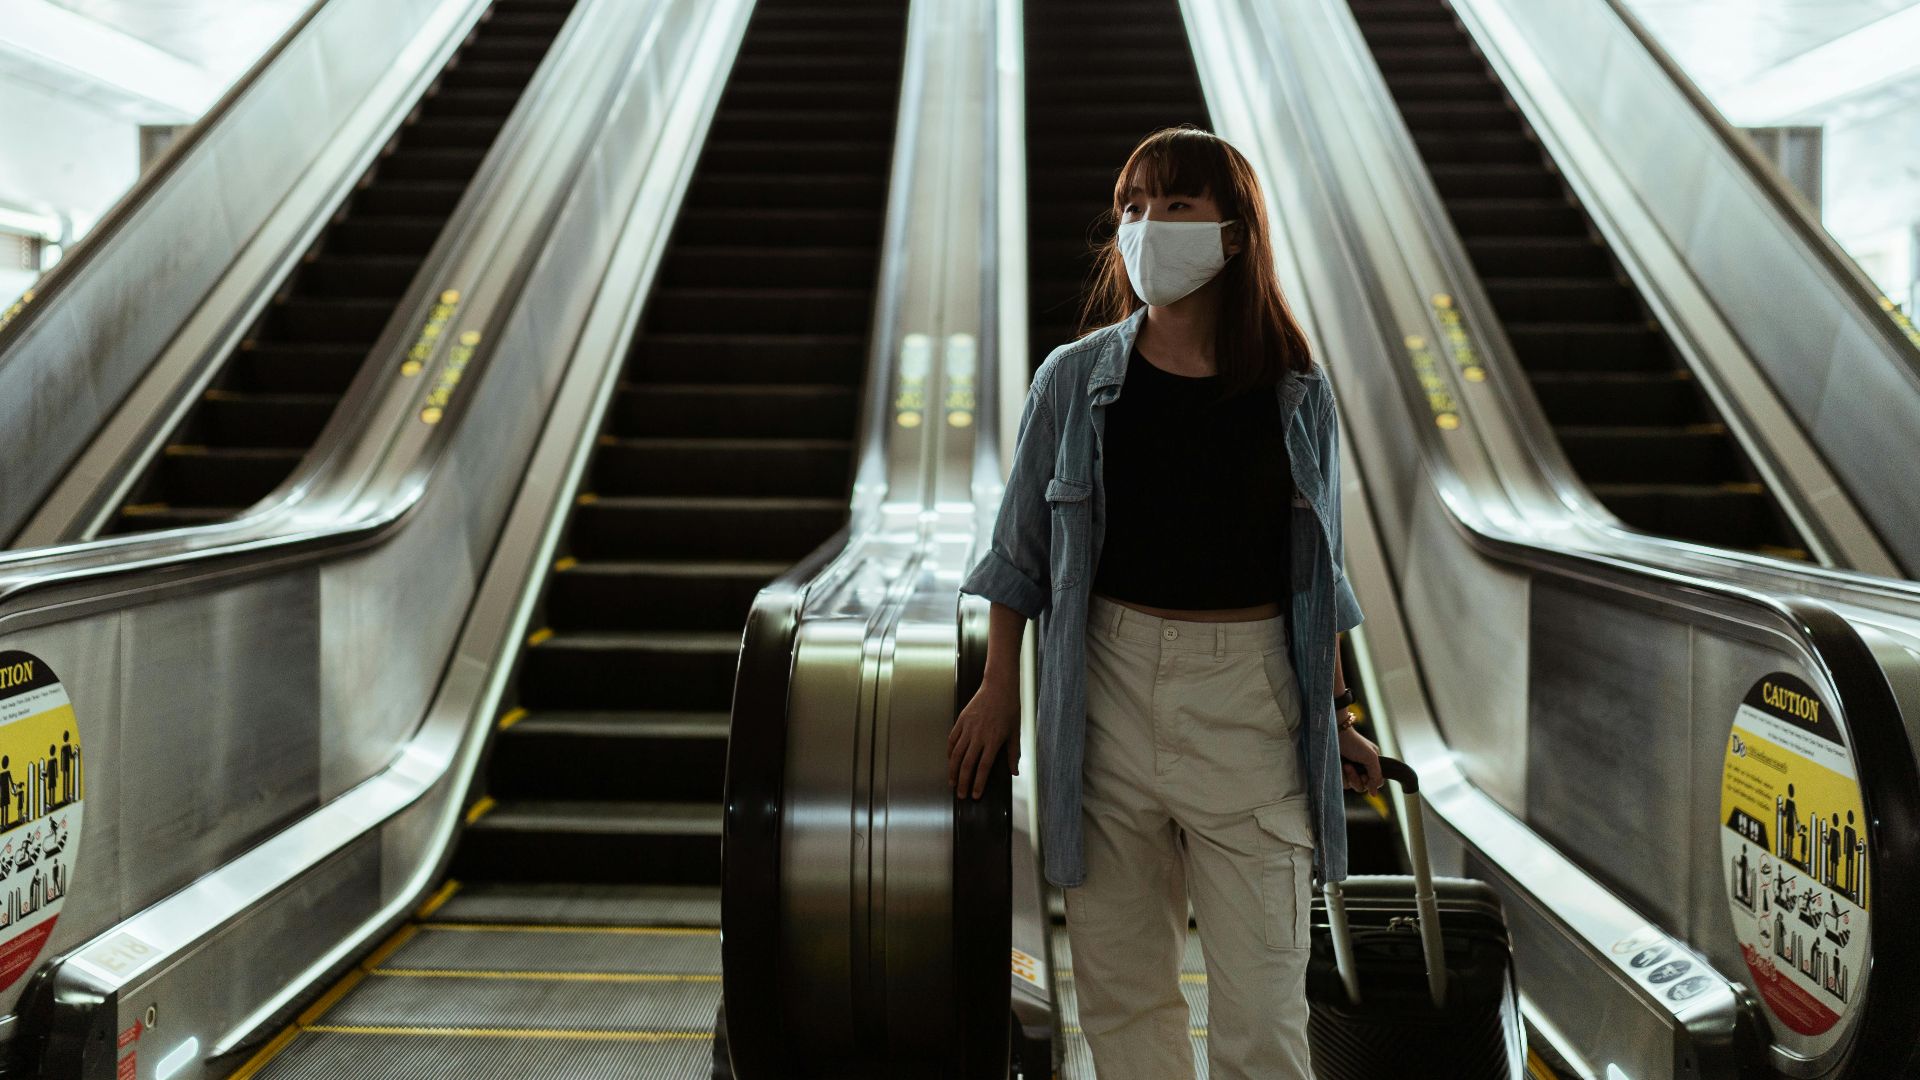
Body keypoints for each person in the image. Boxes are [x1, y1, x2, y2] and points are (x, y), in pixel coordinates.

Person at [950, 126, 1379, 1080]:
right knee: (1125, 998)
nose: (1147, 227)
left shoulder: (1296, 393)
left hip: (1252, 700)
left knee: (1264, 1008)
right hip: (1104, 689)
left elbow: (1319, 570)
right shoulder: (1072, 381)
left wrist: (1338, 713)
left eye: (1176, 206)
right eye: (1132, 208)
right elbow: (1020, 551)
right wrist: (996, 686)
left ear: (1232, 235)